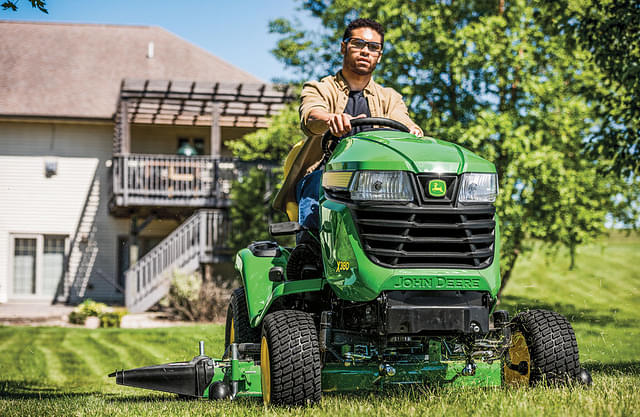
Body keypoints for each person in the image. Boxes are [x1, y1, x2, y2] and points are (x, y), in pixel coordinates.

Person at [273, 18, 423, 231]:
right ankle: (309, 254)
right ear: (344, 47)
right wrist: (330, 119)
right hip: (330, 173)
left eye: (373, 47)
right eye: (358, 44)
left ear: (379, 56)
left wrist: (412, 130)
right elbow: (311, 115)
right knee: (316, 186)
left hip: (378, 180)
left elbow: (403, 121)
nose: (365, 51)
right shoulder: (321, 88)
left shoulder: (390, 97)